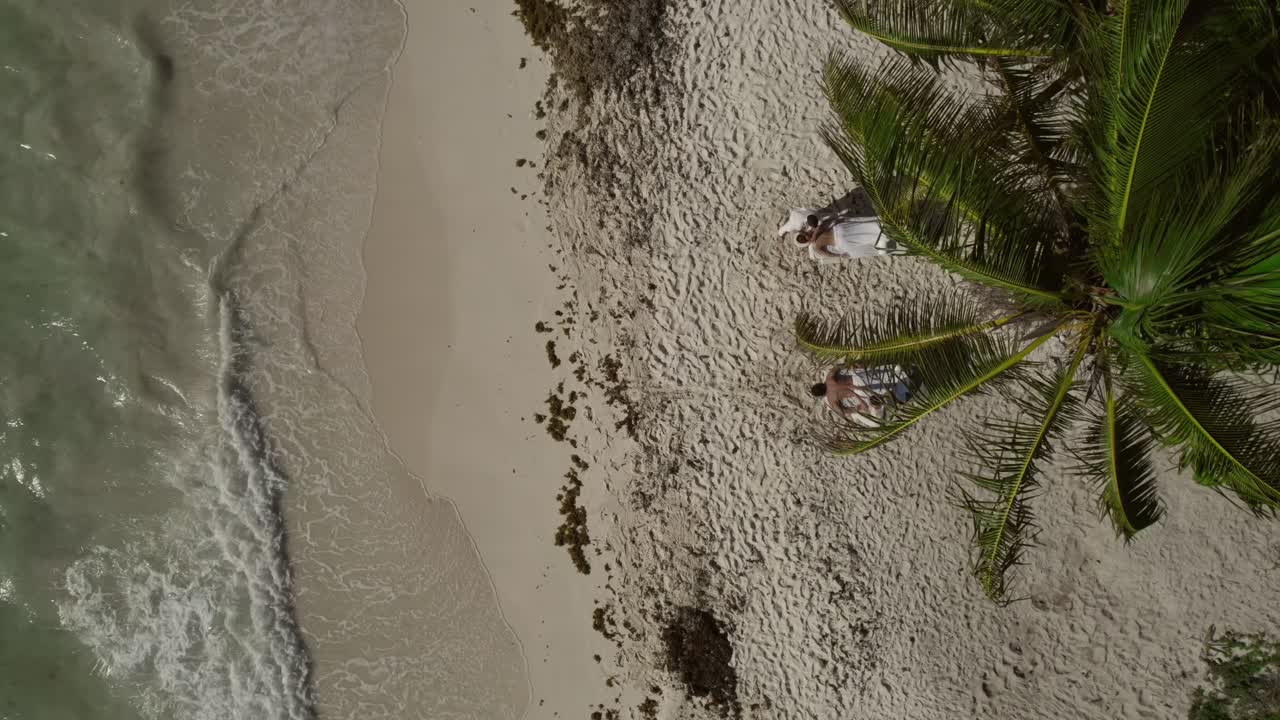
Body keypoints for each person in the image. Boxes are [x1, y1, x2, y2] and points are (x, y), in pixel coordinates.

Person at [778, 204, 904, 261]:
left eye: (802, 236)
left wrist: (839, 256)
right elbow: (825, 252)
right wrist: (838, 256)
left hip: (841, 237)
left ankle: (895, 234)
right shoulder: (816, 239)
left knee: (870, 237)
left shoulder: (816, 240)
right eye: (804, 238)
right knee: (870, 230)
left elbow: (825, 253)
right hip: (840, 233)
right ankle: (894, 229)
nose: (805, 236)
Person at [810, 365, 912, 427]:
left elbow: (843, 411)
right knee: (881, 376)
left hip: (859, 392)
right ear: (820, 384)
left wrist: (857, 408)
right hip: (858, 378)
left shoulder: (831, 399)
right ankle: (902, 374)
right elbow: (837, 367)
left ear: (822, 394)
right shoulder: (829, 378)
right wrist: (852, 366)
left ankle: (903, 390)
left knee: (882, 388)